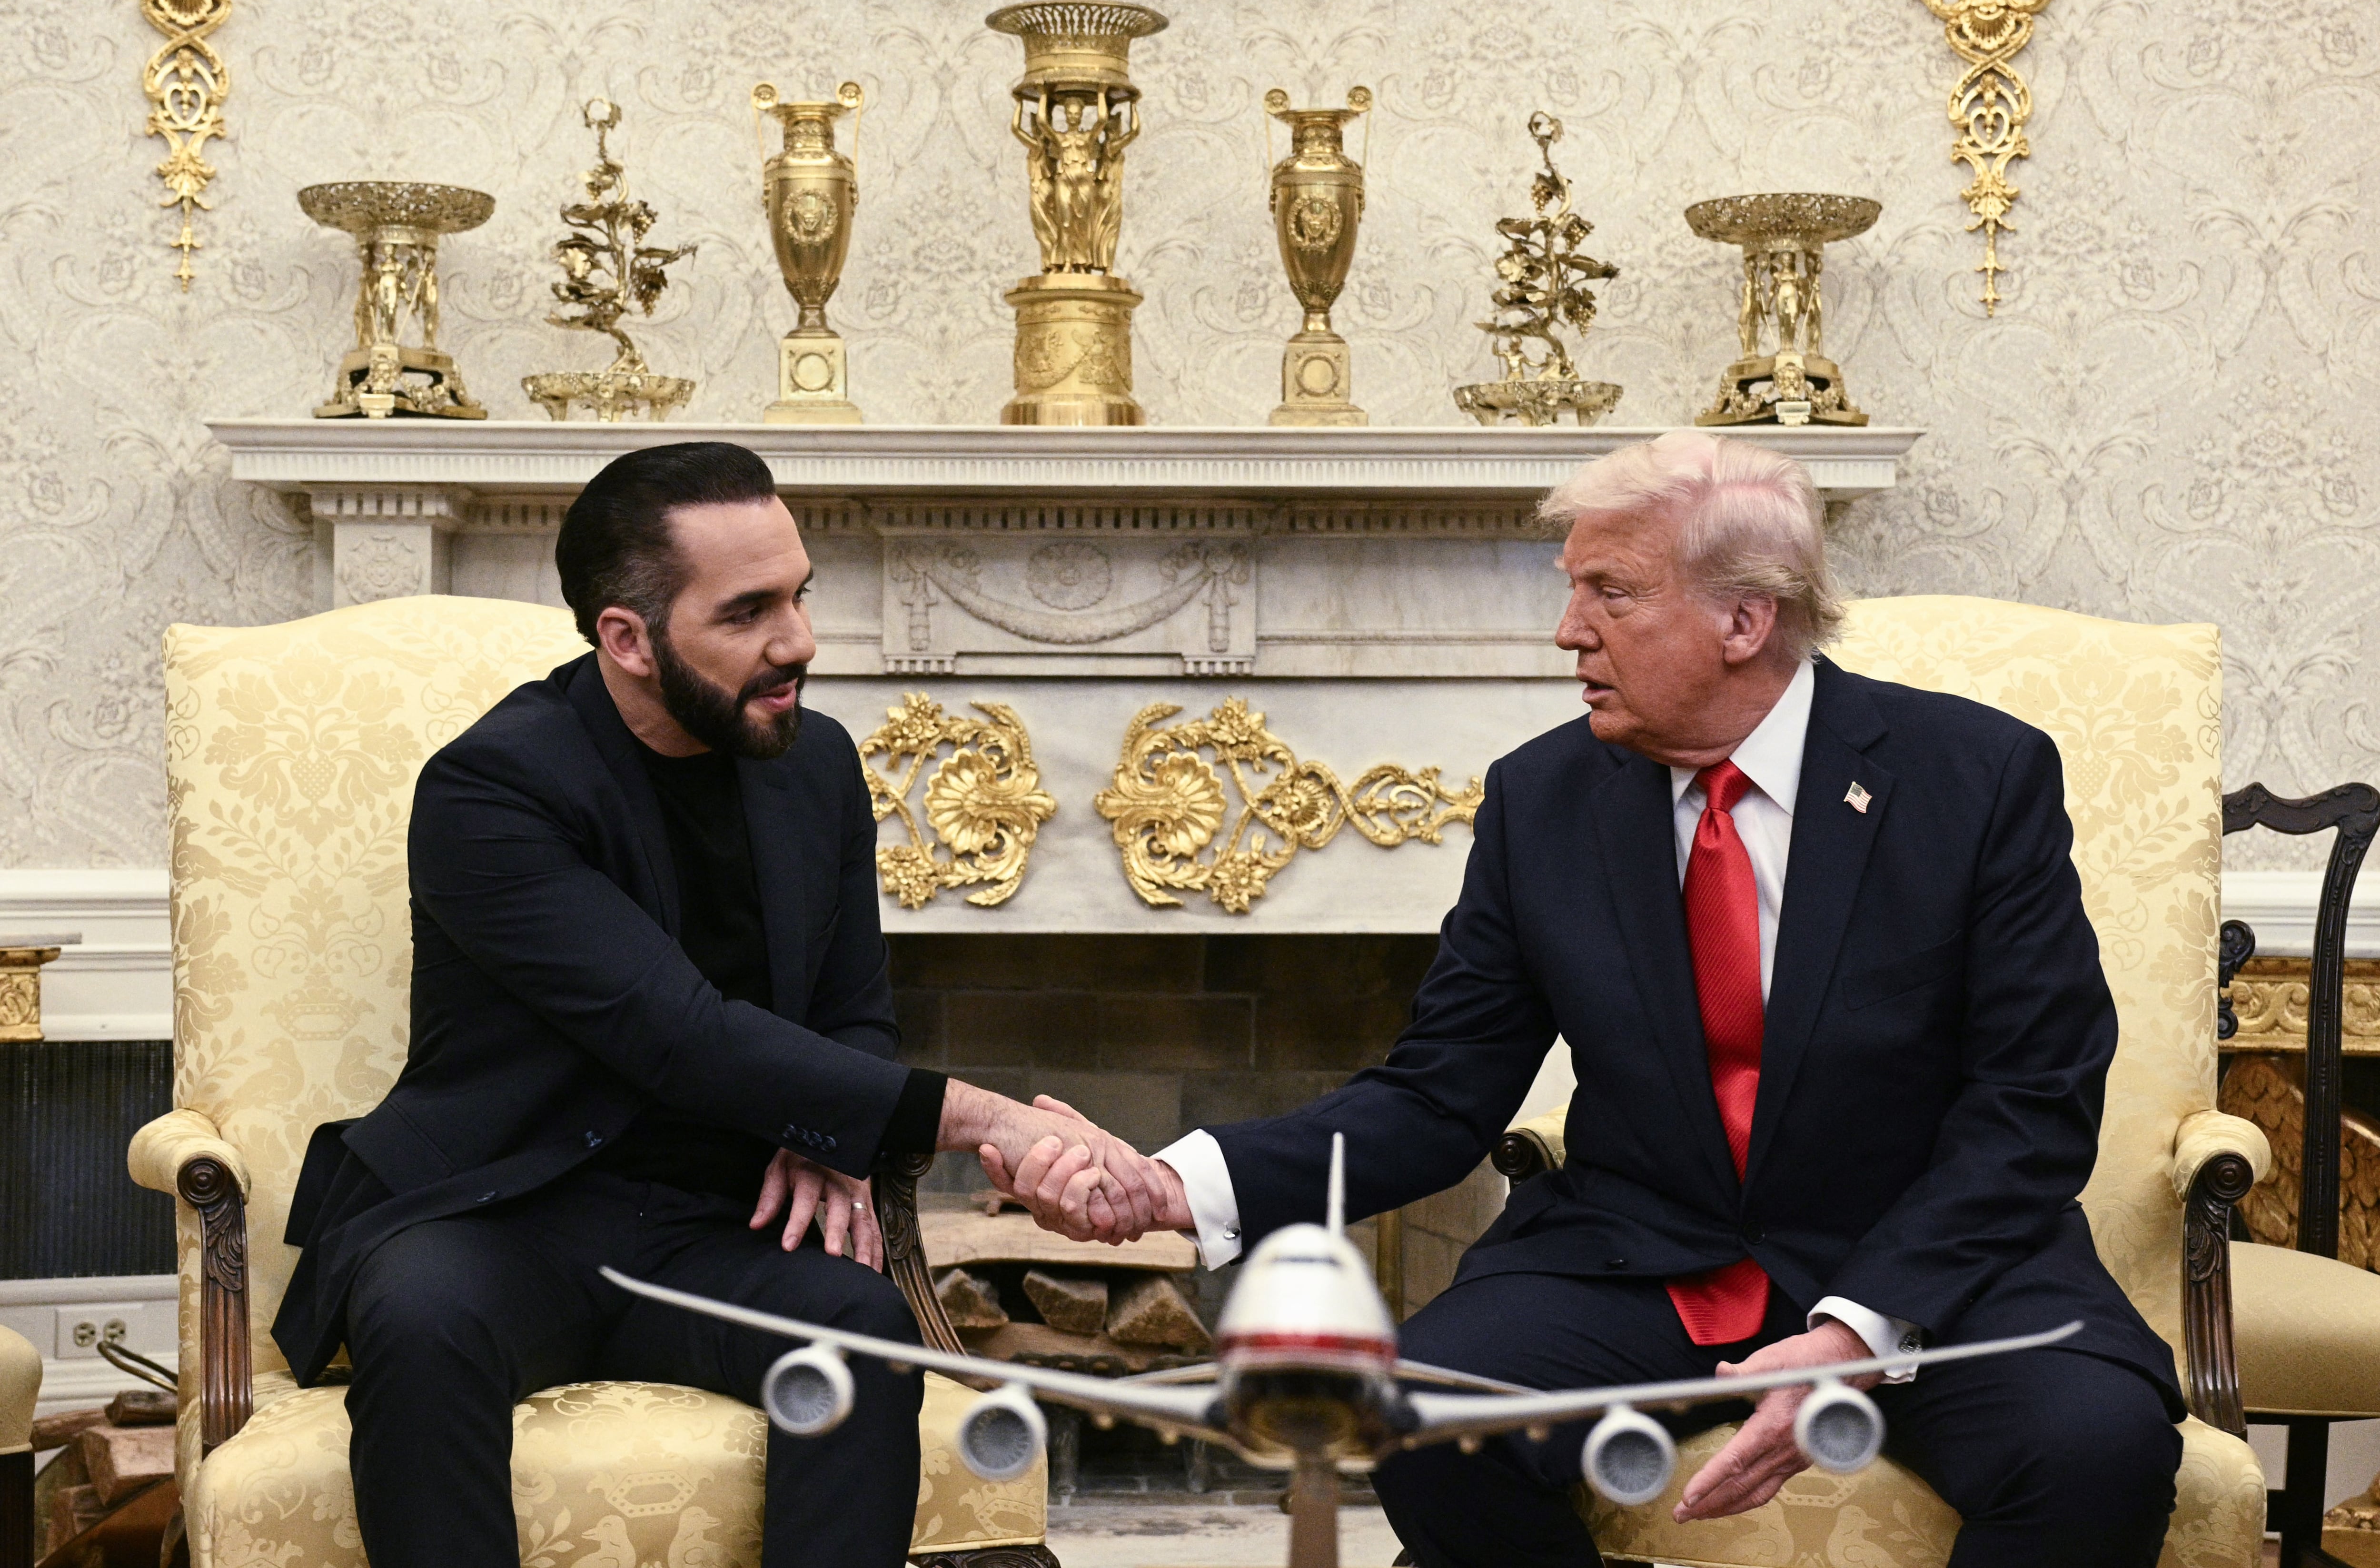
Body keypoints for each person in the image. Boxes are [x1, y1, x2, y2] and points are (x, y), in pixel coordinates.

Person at [989, 430, 2186, 1568]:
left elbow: (2031, 1100)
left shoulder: (1974, 778)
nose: (1568, 630)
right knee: (1428, 1420)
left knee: (2094, 1450)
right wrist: (1176, 1184)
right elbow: (1436, 1095)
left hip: (1928, 1261)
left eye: (1610, 592)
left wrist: (1856, 1326)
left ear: (1743, 619)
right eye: (1573, 591)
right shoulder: (1542, 799)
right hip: (1638, 1257)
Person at [273, 442, 1157, 1568]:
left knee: (860, 1330)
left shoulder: (815, 762)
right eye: (748, 612)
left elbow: (852, 1008)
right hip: (498, 1211)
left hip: (716, 1228)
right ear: (627, 638)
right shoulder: (491, 787)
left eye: (797, 595)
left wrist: (826, 1135)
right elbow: (680, 1033)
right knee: (419, 1318)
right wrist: (992, 1119)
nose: (798, 641)